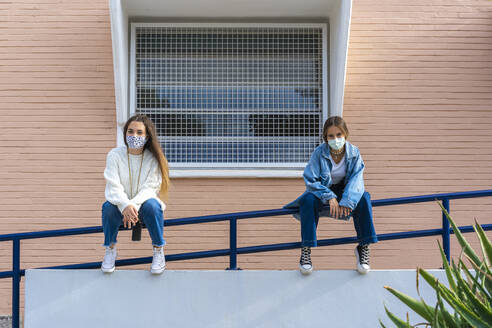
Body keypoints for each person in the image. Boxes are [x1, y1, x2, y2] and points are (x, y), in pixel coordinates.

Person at [285, 116, 377, 275]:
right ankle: (306, 250)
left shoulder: (354, 153)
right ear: (325, 138)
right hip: (323, 190)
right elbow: (310, 179)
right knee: (307, 199)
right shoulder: (319, 153)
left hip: (346, 190)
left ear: (346, 134)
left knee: (364, 197)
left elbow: (357, 180)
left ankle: (363, 246)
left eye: (339, 135)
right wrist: (329, 197)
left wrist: (347, 201)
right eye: (331, 136)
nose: (335, 139)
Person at [101, 114, 170, 274]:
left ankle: (158, 250)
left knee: (153, 205)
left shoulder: (154, 159)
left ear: (147, 136)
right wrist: (125, 205)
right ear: (125, 133)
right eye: (130, 132)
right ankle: (110, 249)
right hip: (121, 208)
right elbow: (113, 185)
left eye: (139, 133)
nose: (134, 136)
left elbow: (150, 188)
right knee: (108, 207)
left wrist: (132, 205)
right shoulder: (114, 155)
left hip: (143, 208)